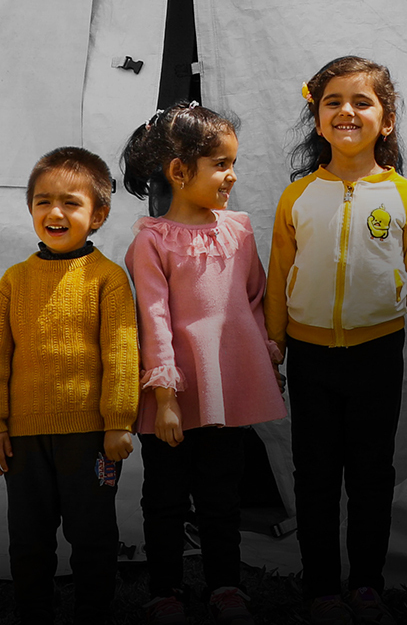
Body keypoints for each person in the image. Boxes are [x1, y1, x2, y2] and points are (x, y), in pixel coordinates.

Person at [264, 55, 407, 625]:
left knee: (371, 476)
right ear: (317, 118)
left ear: (385, 121)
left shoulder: (405, 197)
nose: (347, 111)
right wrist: (274, 349)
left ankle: (366, 586)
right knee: (314, 476)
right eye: (333, 101)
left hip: (377, 357)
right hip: (311, 360)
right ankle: (320, 591)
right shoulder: (297, 198)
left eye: (362, 102)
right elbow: (276, 279)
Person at [120, 102, 288, 625]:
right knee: (165, 498)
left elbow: (255, 298)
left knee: (222, 496)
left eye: (232, 162)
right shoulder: (150, 242)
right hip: (171, 394)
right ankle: (165, 589)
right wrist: (165, 398)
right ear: (178, 171)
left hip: (224, 392)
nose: (231, 175)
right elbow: (155, 321)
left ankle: (225, 586)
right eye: (220, 163)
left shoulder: (238, 230)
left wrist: (262, 357)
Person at [0, 147, 139, 625]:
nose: (55, 212)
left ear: (99, 214)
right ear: (30, 209)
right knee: (28, 535)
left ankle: (93, 609)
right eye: (43, 201)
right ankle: (35, 609)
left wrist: (118, 421)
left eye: (71, 202)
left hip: (90, 437)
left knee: (93, 532)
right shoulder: (13, 281)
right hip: (22, 438)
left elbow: (122, 353)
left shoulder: (108, 279)